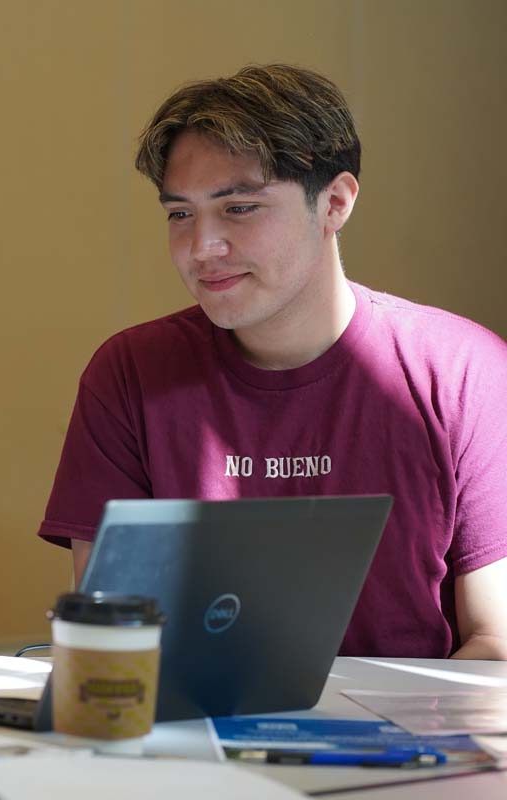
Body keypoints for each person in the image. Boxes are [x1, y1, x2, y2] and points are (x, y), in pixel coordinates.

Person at [36, 64, 507, 661]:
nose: (201, 247)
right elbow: (113, 638)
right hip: (200, 739)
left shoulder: (466, 371)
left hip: (415, 743)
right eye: (180, 214)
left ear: (334, 202)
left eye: (239, 208)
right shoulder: (129, 373)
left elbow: (496, 642)